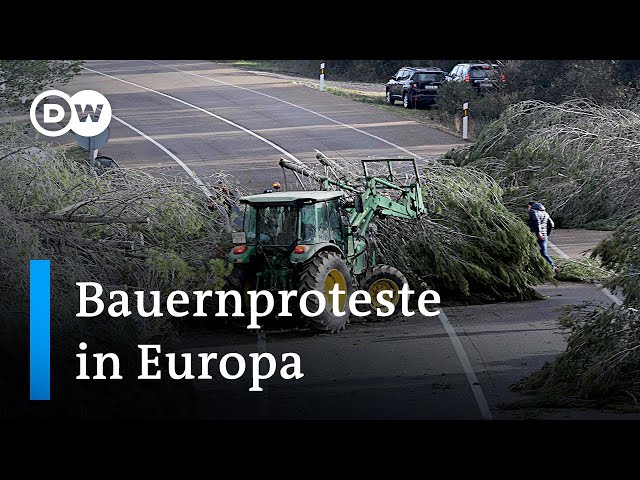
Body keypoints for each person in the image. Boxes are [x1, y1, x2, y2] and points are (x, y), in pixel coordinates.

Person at [528, 201, 558, 274]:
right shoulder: (545, 213)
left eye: (528, 207)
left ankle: (530, 269)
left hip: (535, 234)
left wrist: (539, 233)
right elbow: (551, 224)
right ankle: (552, 266)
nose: (528, 209)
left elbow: (536, 221)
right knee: (543, 253)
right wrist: (546, 234)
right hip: (543, 235)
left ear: (531, 206)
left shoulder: (533, 212)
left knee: (530, 251)